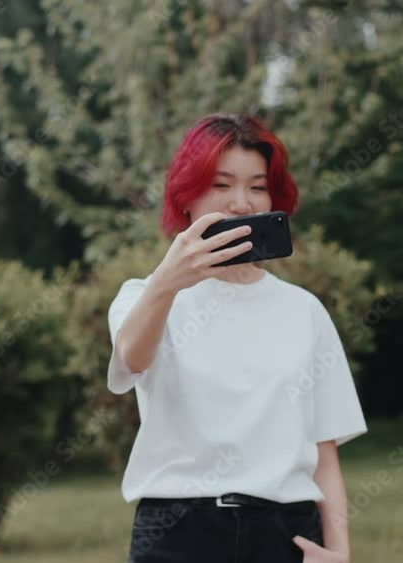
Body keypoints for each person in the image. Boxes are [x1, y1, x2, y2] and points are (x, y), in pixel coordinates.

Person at [107, 113, 367, 563]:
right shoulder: (143, 296)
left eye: (257, 187)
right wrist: (167, 281)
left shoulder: (303, 310)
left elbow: (324, 454)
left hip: (285, 534)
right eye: (221, 185)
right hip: (177, 534)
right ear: (187, 198)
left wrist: (339, 553)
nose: (242, 203)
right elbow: (133, 358)